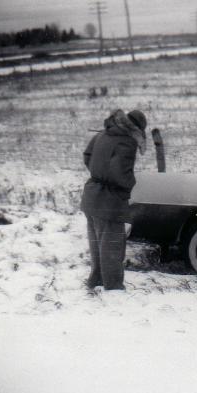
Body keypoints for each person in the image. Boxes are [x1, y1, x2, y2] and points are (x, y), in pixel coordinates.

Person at [81, 109, 147, 290]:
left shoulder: (102, 134)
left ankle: (96, 282)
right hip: (110, 201)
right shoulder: (127, 141)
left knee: (97, 245)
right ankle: (114, 289)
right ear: (138, 129)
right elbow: (120, 173)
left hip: (91, 196)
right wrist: (129, 185)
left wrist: (99, 173)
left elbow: (87, 156)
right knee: (112, 247)